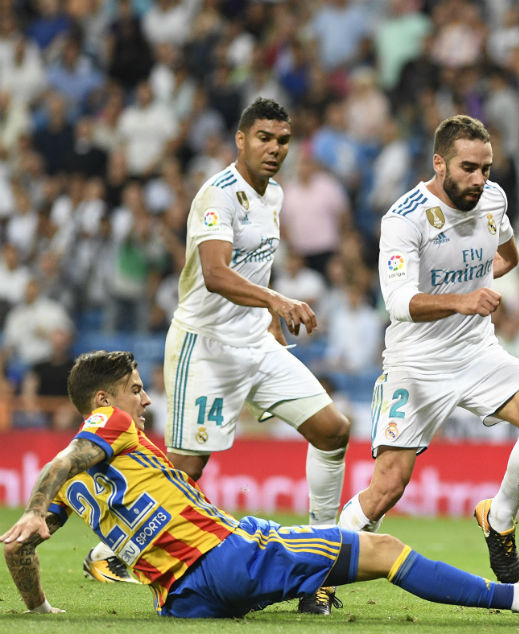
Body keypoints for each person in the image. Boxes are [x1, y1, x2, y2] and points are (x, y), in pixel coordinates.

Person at [1, 351, 519, 621]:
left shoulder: (75, 492)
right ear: (103, 401)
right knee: (382, 549)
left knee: (279, 541)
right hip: (224, 560)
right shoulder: (106, 425)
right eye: (133, 388)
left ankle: (310, 589)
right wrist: (32, 502)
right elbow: (64, 457)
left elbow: (21, 543)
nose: (144, 399)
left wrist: (39, 608)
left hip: (181, 600)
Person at [84, 98, 351, 616]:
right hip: (204, 347)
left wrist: (270, 318)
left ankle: (319, 571)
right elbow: (216, 273)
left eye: (283, 139)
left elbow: (257, 273)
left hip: (257, 342)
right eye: (265, 138)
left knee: (333, 429)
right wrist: (277, 300)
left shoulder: (273, 195)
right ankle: (112, 548)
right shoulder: (217, 195)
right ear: (241, 139)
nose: (275, 148)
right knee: (186, 470)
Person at [336, 115, 519, 586]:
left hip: (478, 352)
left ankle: (499, 519)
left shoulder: (494, 199)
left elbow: (508, 256)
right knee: (386, 488)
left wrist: (478, 283)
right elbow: (398, 302)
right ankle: (320, 574)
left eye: (486, 167)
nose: (480, 179)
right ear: (439, 163)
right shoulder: (404, 218)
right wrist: (465, 299)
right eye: (468, 168)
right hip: (416, 363)